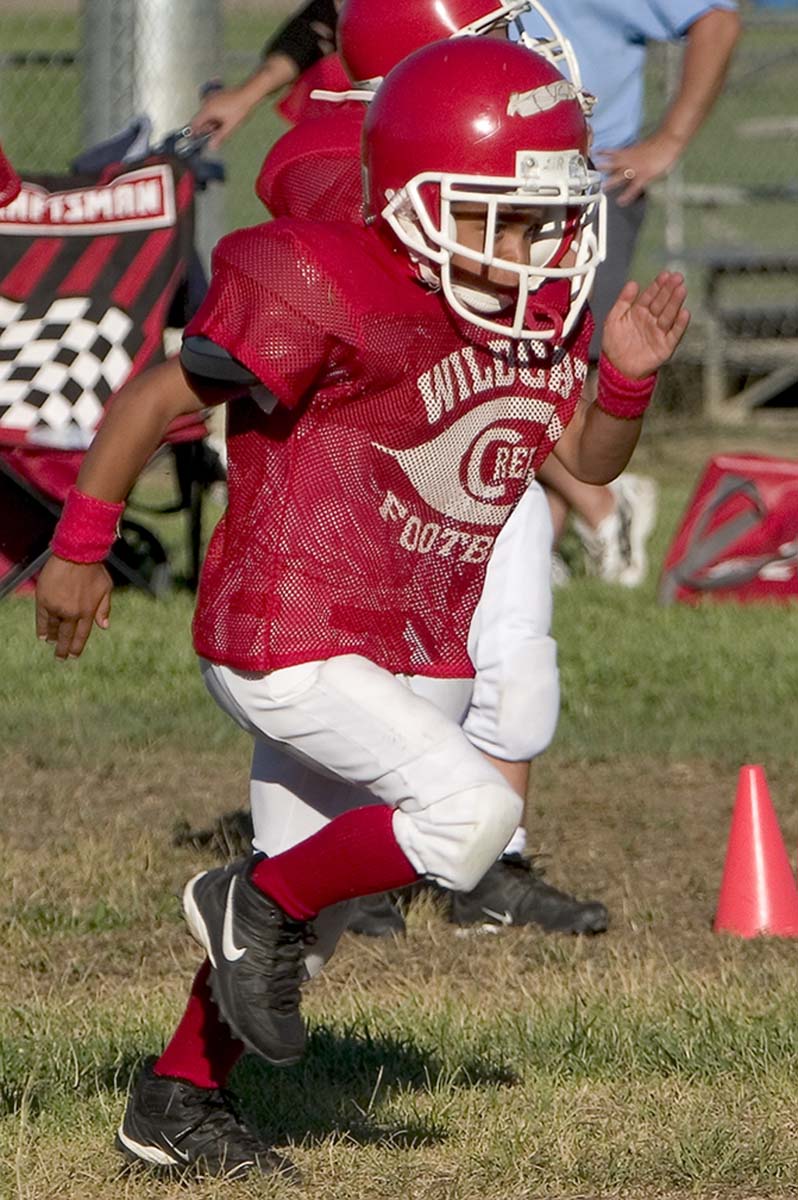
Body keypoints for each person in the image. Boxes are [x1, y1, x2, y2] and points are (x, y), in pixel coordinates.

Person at [37, 38, 689, 1174]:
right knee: (469, 819)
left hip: (413, 635)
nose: (532, 247)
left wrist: (626, 378)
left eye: (545, 220)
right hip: (289, 625)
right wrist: (81, 544)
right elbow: (154, 397)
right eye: (503, 219)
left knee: (301, 927)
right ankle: (248, 898)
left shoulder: (527, 312)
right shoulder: (327, 280)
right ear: (421, 201)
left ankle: (177, 1102)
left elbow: (583, 455)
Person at [206, 0, 612, 940]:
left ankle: (484, 865)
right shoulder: (333, 159)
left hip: (488, 427)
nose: (520, 63)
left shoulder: (486, 155)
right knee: (341, 675)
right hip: (379, 467)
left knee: (510, 665)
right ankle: (299, 880)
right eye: (491, 39)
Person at [520, 0, 741, 585]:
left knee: (533, 370)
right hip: (487, 187)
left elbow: (717, 20)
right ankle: (546, 541)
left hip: (582, 190)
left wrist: (668, 140)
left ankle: (601, 503)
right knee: (524, 365)